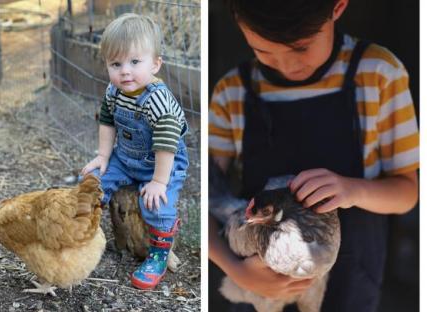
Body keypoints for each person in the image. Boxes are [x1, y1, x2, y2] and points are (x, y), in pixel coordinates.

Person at [208, 0, 419, 311]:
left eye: (301, 48)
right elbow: (208, 195)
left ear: (337, 6)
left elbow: (407, 193)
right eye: (264, 51)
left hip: (350, 284)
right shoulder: (232, 91)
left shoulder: (378, 74)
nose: (287, 65)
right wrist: (237, 270)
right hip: (257, 285)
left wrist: (353, 190)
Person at [81, 13, 189, 290]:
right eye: (116, 64)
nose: (125, 71)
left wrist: (158, 182)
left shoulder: (157, 101)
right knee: (93, 184)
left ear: (156, 64)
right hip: (126, 156)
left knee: (155, 205)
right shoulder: (113, 91)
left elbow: (166, 145)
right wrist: (104, 156)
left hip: (162, 162)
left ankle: (158, 254)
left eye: (134, 62)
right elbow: (107, 121)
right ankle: (85, 234)